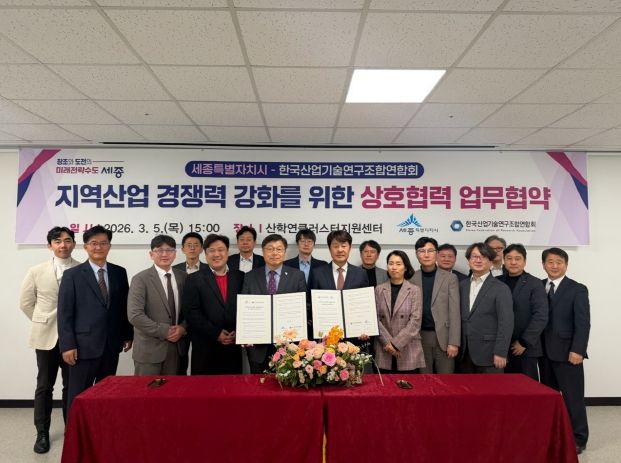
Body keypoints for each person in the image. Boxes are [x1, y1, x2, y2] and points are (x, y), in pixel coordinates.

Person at [57, 225, 133, 415]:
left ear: (109, 246)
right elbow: (65, 313)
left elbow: (123, 306)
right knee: (78, 394)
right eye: (93, 243)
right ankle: (74, 430)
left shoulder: (119, 272)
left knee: (105, 393)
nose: (98, 247)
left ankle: (101, 428)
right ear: (85, 247)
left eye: (103, 243)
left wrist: (127, 334)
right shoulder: (72, 275)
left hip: (111, 344)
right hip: (82, 347)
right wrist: (67, 345)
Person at [19, 226, 80, 454]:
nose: (63, 245)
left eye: (67, 240)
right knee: (44, 386)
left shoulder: (82, 269)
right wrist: (43, 321)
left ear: (74, 244)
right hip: (46, 337)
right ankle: (42, 433)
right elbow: (26, 303)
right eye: (57, 241)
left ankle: (71, 430)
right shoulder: (36, 271)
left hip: (74, 339)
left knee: (71, 386)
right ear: (50, 246)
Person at [539, 247, 590, 455]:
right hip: (542, 353)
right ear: (543, 264)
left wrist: (578, 350)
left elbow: (583, 323)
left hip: (568, 353)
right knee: (549, 397)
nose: (554, 266)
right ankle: (553, 434)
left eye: (559, 262)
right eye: (550, 262)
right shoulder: (538, 286)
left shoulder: (577, 289)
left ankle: (579, 437)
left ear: (566, 265)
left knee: (573, 398)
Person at [242, 234, 306, 373]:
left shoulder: (297, 276)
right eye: (270, 249)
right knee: (258, 383)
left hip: (288, 346)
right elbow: (244, 310)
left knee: (287, 384)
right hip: (258, 345)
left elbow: (304, 307)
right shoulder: (250, 276)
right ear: (263, 252)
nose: (274, 253)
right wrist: (245, 333)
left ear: (284, 252)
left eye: (279, 249)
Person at [182, 234, 245, 375]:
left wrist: (239, 332)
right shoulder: (193, 279)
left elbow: (245, 308)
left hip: (233, 346)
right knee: (205, 387)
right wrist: (215, 333)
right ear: (205, 254)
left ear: (227, 252)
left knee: (232, 386)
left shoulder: (240, 277)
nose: (216, 254)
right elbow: (191, 312)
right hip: (205, 347)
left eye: (221, 250)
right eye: (211, 250)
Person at [128, 235, 187, 375]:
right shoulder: (140, 279)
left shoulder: (183, 277)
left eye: (169, 250)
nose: (165, 254)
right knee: (146, 389)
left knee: (175, 389)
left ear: (175, 254)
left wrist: (183, 328)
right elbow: (135, 315)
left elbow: (190, 310)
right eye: (159, 250)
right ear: (151, 254)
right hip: (149, 351)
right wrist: (165, 331)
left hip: (177, 349)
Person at [459, 242, 513, 374]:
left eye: (483, 257)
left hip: (490, 354)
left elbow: (506, 323)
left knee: (492, 388)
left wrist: (500, 352)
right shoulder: (461, 286)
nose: (478, 260)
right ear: (468, 260)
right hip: (464, 353)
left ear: (491, 262)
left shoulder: (501, 288)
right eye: (474, 256)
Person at [496, 244, 548, 381]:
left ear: (524, 261)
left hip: (526, 348)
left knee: (527, 388)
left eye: (517, 258)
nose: (513, 262)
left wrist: (524, 342)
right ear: (504, 260)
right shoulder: (497, 282)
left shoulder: (535, 283)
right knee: (502, 387)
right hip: (501, 347)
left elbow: (541, 316)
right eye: (509, 258)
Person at [411, 237, 460, 374]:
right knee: (424, 379)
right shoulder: (411, 278)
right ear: (417, 254)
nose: (426, 255)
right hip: (419, 337)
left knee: (445, 379)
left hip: (444, 338)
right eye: (422, 251)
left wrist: (454, 342)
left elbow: (455, 312)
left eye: (430, 251)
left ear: (437, 253)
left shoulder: (450, 278)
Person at [374, 250, 425, 373]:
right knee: (384, 384)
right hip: (384, 347)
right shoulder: (379, 289)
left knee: (408, 384)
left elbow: (415, 322)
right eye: (391, 263)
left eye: (398, 264)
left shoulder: (414, 290)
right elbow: (374, 319)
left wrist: (395, 344)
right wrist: (388, 343)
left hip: (408, 348)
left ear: (405, 267)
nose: (394, 267)